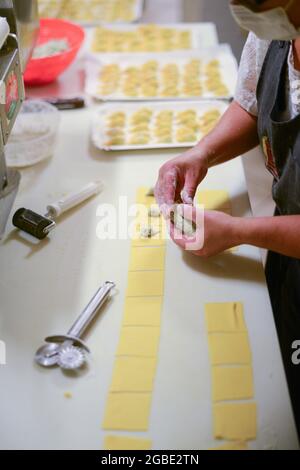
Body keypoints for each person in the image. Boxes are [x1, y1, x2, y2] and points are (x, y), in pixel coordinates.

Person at [155, 0, 300, 436]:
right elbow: (254, 102)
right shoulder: (277, 26)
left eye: (256, 2)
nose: (244, 10)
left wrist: (237, 231)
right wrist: (202, 154)